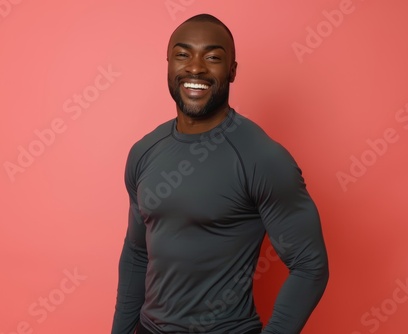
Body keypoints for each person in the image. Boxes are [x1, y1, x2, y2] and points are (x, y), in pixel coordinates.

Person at [111, 13, 329, 334]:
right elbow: (136, 253)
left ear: (232, 71)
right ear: (169, 64)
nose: (195, 67)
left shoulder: (261, 157)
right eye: (183, 55)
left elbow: (310, 266)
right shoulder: (144, 151)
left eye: (212, 57)